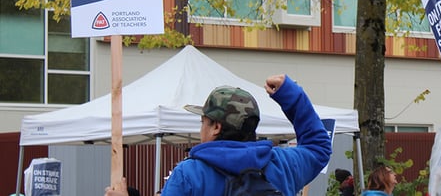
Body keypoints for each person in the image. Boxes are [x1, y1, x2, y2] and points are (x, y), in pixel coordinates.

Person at [104, 75, 332, 196]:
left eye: (203, 121)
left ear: (216, 128)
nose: (200, 128)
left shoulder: (189, 174)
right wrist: (292, 96)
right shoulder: (281, 163)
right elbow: (319, 148)